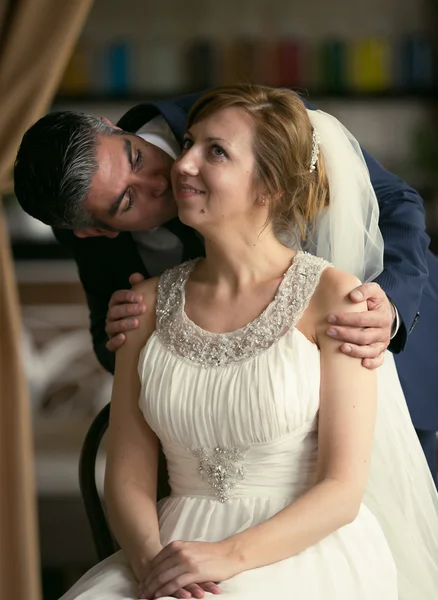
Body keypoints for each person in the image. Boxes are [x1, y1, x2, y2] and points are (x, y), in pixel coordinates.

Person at [55, 84, 438, 600]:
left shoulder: (341, 302)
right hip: (175, 537)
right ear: (98, 231)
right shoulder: (139, 305)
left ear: (271, 184)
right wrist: (156, 569)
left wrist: (386, 308)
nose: (175, 168)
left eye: (212, 151)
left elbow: (394, 205)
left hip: (309, 528)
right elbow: (128, 468)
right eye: (126, 200)